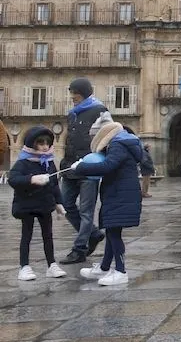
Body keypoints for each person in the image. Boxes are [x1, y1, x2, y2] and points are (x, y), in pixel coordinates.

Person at [73, 119, 142, 285]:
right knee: (112, 231)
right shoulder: (122, 143)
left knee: (114, 233)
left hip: (120, 195)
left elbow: (107, 167)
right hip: (117, 193)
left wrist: (81, 168)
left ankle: (120, 271)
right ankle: (104, 268)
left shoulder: (118, 145)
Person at [9, 126, 67, 281]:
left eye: (47, 143)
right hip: (27, 205)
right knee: (26, 235)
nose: (45, 146)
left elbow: (54, 184)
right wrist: (31, 179)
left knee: (48, 235)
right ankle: (24, 266)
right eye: (41, 143)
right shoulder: (23, 162)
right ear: (33, 144)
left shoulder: (48, 162)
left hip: (44, 204)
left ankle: (52, 264)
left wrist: (59, 203)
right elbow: (13, 179)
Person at [59, 77, 107, 265]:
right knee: (66, 205)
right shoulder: (72, 114)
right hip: (70, 167)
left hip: (89, 167)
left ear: (84, 92)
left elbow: (109, 135)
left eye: (75, 93)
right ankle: (93, 234)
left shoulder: (100, 111)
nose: (72, 97)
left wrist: (102, 160)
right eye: (71, 93)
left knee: (87, 211)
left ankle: (79, 249)